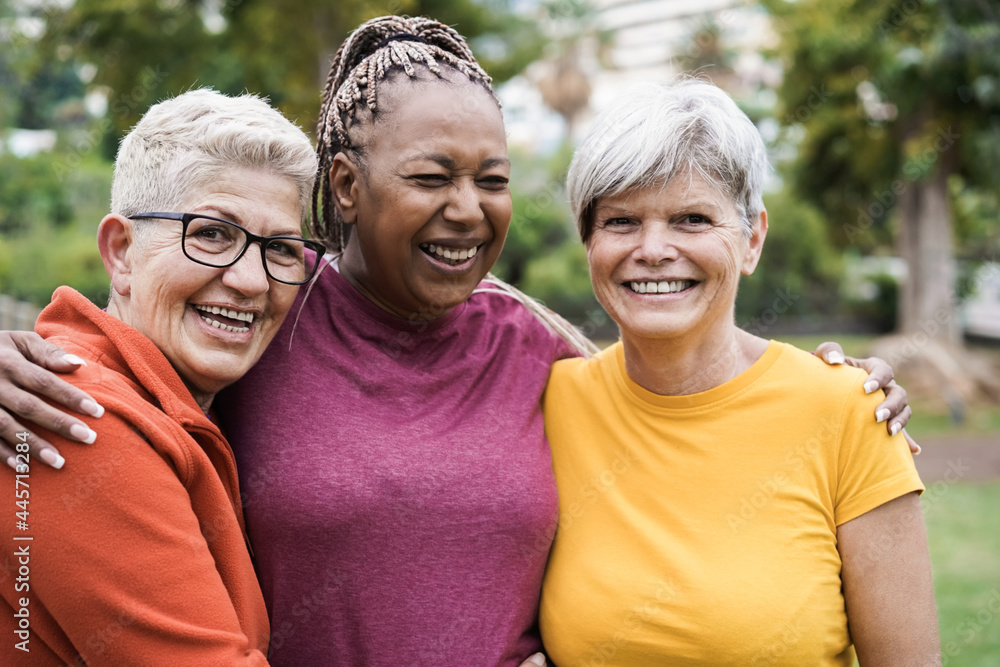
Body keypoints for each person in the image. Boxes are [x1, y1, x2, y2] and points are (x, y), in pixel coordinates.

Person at [0, 17, 915, 667]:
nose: (467, 208)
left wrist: (842, 393)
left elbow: (680, 394)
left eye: (493, 178)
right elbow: (141, 333)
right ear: (348, 187)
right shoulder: (269, 314)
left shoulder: (539, 355)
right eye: (432, 175)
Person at [537, 79, 939, 666]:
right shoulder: (548, 404)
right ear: (588, 242)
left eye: (692, 219)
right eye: (621, 221)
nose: (652, 248)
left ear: (752, 239)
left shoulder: (851, 412)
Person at [0, 89, 323, 665]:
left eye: (280, 249)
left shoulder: (185, 397)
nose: (251, 281)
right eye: (212, 234)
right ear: (121, 252)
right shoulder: (73, 416)